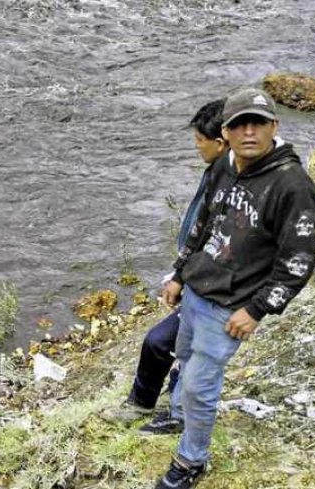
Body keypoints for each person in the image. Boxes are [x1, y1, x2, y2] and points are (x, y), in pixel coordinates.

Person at [154, 87, 315, 489]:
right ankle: (178, 415)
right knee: (183, 356)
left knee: (200, 384)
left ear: (274, 127)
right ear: (225, 132)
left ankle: (192, 460)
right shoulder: (225, 165)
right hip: (197, 287)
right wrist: (179, 273)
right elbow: (202, 223)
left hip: (230, 306)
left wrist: (258, 309)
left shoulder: (292, 186)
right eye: (239, 124)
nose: (249, 132)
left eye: (258, 123)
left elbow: (298, 263)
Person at [102, 99, 228, 434]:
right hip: (198, 280)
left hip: (216, 291)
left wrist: (185, 276)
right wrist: (180, 273)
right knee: (164, 344)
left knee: (170, 346)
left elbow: (216, 241)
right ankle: (146, 405)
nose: (196, 146)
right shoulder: (217, 171)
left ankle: (174, 417)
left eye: (200, 140)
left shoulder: (233, 183)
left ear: (220, 142)